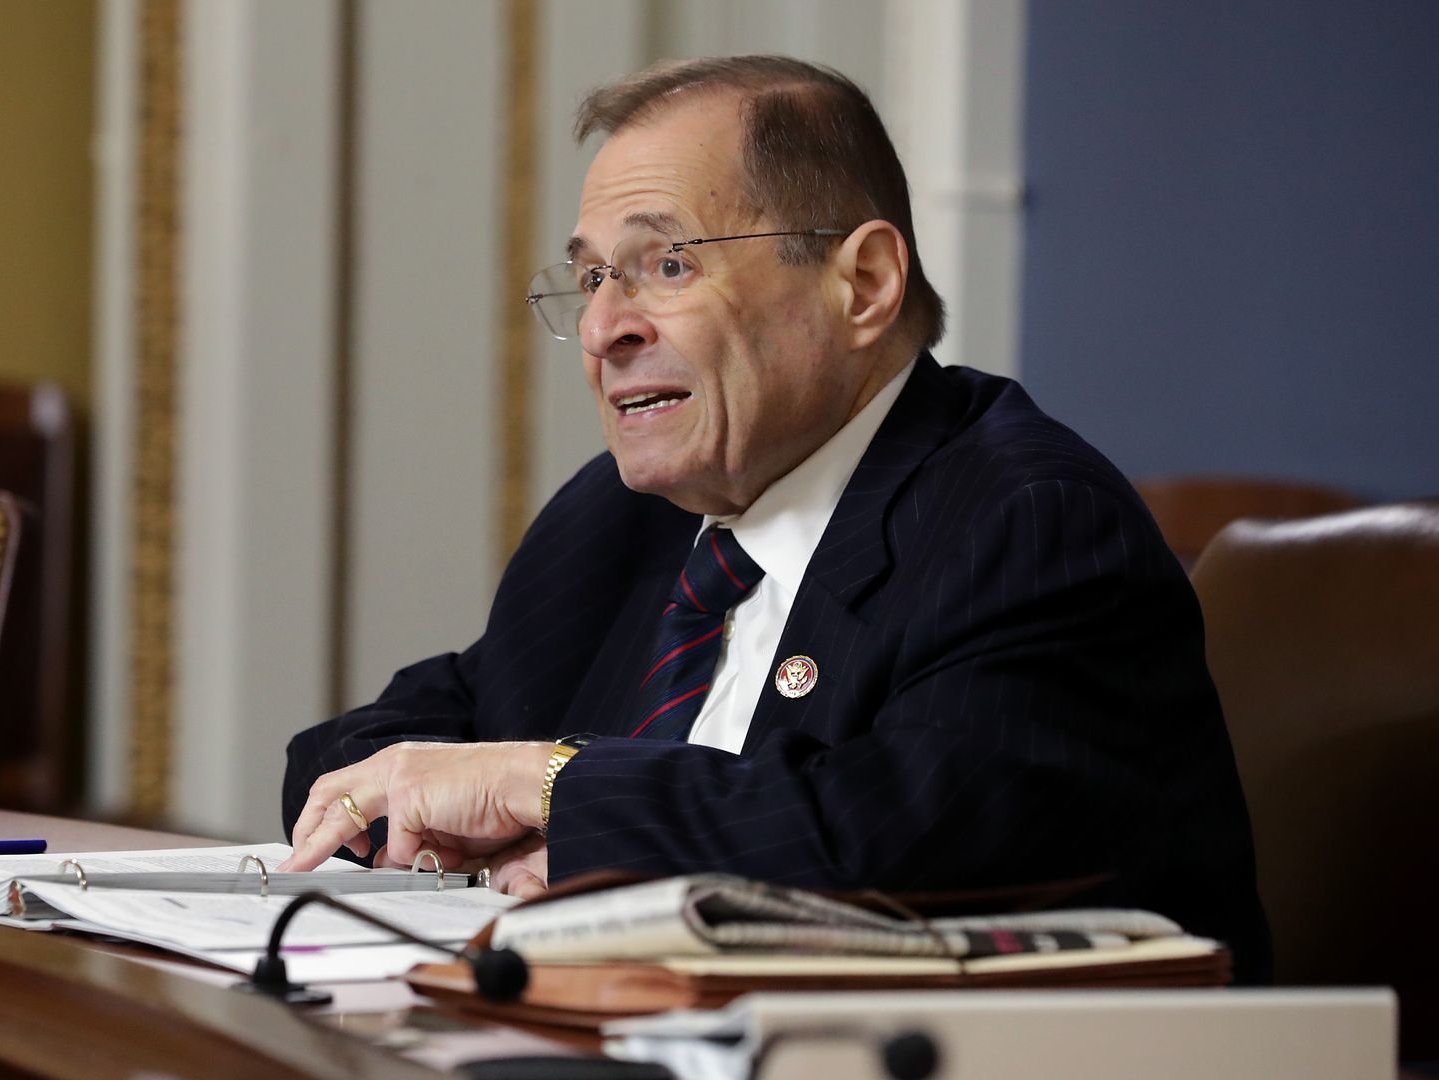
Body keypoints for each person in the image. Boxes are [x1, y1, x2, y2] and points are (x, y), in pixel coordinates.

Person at [278, 55, 1269, 979]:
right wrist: (467, 806)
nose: (601, 329)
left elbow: (896, 846)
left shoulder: (1027, 524)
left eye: (664, 265)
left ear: (863, 286)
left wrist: (549, 792)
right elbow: (387, 749)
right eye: (590, 277)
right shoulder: (621, 524)